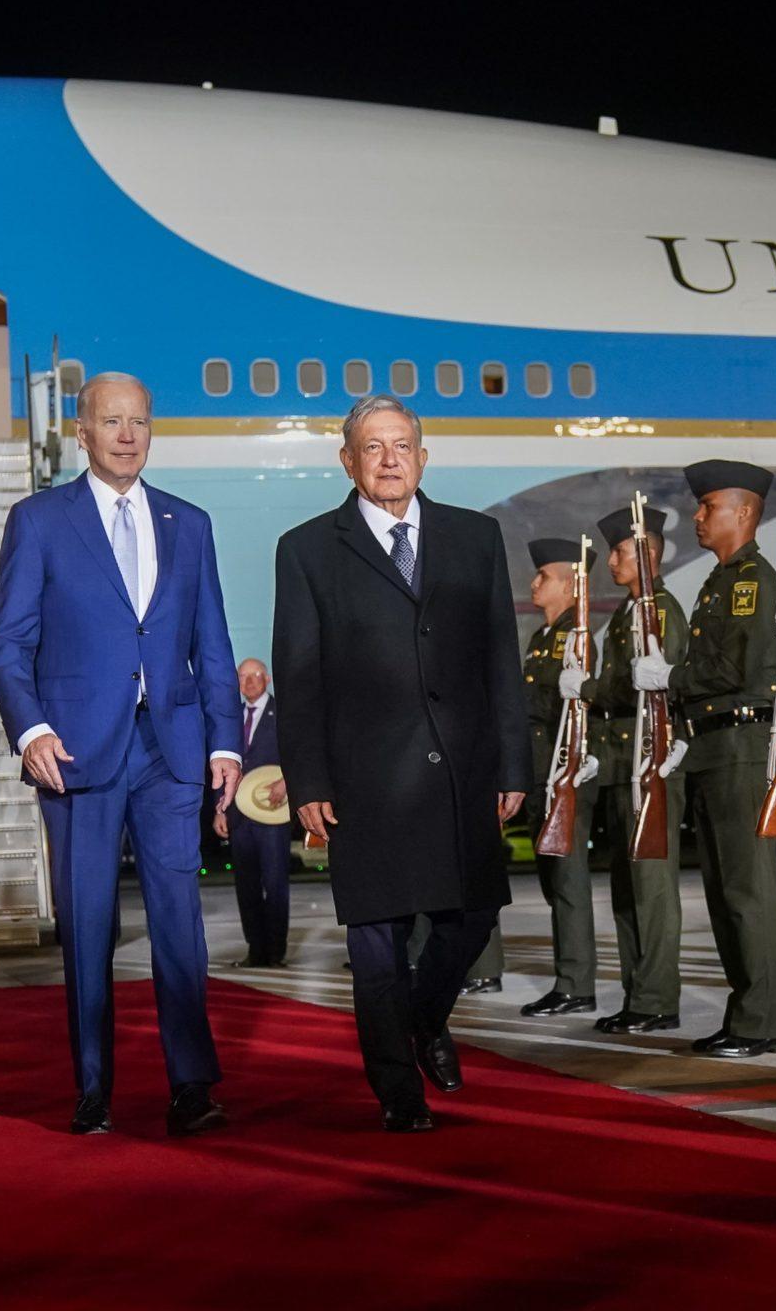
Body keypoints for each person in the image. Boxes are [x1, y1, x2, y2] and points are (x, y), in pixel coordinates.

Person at [0, 371, 237, 1139]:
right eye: (111, 421)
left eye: (140, 421)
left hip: (169, 749)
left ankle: (191, 1083)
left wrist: (225, 741)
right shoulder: (39, 521)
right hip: (79, 756)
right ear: (82, 433)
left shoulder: (188, 523)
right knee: (87, 923)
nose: (127, 435)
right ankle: (93, 1086)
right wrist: (31, 732)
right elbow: (7, 644)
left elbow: (213, 647)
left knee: (179, 925)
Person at [272, 395, 529, 1132]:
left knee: (475, 914)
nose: (390, 460)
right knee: (377, 938)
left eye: (403, 445)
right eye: (373, 448)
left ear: (423, 454)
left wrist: (514, 762)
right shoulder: (310, 548)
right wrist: (309, 780)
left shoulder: (475, 538)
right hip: (364, 781)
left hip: (460, 773)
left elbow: (500, 664)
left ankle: (423, 1019)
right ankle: (397, 1092)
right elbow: (300, 674)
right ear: (348, 461)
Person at [654, 460, 776, 1056]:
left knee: (746, 890)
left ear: (744, 512)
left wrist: (672, 677)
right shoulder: (719, 580)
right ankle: (746, 1014)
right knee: (723, 890)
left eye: (709, 506)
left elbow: (735, 668)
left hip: (740, 747)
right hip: (713, 745)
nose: (698, 516)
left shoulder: (750, 580)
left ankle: (762, 1021)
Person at [567, 504, 686, 1036]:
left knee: (652, 888)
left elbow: (652, 687)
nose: (610, 560)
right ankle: (640, 992)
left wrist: (586, 689)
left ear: (646, 554)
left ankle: (658, 997)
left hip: (650, 763)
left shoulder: (660, 609)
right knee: (626, 888)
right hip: (622, 762)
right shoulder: (629, 610)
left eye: (618, 551)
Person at [519, 537, 604, 1019]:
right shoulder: (541, 638)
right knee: (555, 883)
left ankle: (576, 983)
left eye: (544, 576)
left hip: (564, 774)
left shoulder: (580, 637)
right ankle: (571, 976)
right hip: (538, 775)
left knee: (568, 883)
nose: (534, 583)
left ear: (573, 584)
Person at [215, 658, 291, 964]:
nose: (249, 682)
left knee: (274, 885)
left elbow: (300, 752)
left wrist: (288, 781)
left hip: (271, 811)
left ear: (268, 678)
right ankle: (255, 951)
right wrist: (220, 809)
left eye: (256, 675)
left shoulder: (283, 714)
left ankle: (275, 952)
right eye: (243, 676)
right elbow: (219, 763)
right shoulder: (228, 717)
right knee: (245, 887)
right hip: (237, 815)